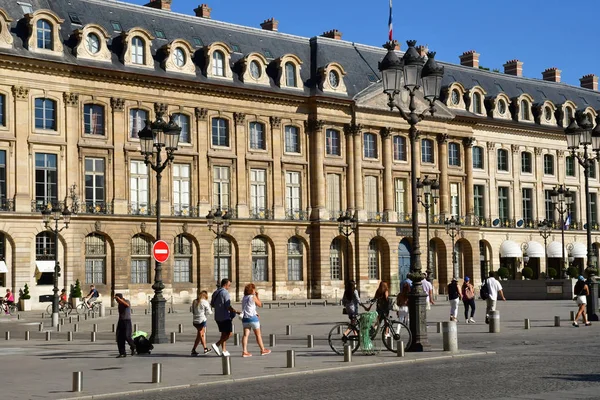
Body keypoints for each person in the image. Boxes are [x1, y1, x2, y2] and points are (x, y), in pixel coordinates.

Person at [210, 279, 240, 357]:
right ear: (225, 284)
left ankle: (224, 350)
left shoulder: (216, 292)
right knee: (229, 333)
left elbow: (212, 304)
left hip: (217, 316)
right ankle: (217, 344)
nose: (229, 287)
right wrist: (235, 311)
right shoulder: (225, 293)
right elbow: (227, 306)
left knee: (223, 333)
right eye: (229, 285)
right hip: (225, 316)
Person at [240, 283, 271, 357]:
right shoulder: (252, 297)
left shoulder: (244, 297)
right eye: (254, 289)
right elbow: (260, 304)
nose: (255, 290)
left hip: (245, 318)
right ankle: (262, 350)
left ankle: (244, 351)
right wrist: (257, 296)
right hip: (253, 318)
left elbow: (249, 307)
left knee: (245, 335)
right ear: (252, 290)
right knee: (258, 335)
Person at [191, 290, 212, 356]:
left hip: (195, 321)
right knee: (201, 334)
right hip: (202, 320)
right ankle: (205, 348)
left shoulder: (194, 301)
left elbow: (192, 311)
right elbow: (209, 312)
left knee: (199, 336)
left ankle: (193, 349)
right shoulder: (205, 302)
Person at [114, 293, 136, 358]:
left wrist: (119, 299)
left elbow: (127, 305)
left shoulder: (126, 301)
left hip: (127, 321)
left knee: (127, 336)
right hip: (121, 321)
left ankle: (133, 346)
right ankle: (122, 353)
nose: (116, 301)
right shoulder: (119, 304)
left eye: (117, 299)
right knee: (119, 338)